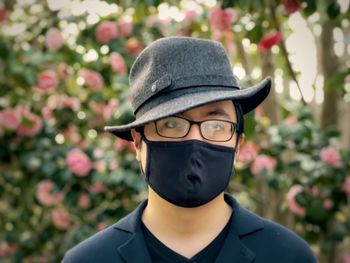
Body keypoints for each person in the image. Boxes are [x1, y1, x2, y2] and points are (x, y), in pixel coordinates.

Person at [63, 37, 317, 263]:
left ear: (237, 144)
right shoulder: (89, 259)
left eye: (216, 124)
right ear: (138, 143)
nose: (195, 140)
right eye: (172, 123)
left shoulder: (288, 255)